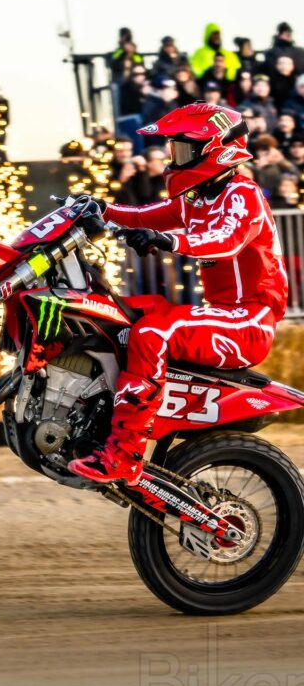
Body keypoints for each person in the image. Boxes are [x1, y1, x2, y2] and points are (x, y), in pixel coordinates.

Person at [69, 102, 287, 485]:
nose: (175, 159)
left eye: (184, 150)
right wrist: (101, 208)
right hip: (224, 314)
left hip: (249, 320)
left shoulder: (243, 194)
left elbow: (224, 240)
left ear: (217, 150)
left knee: (153, 332)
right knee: (116, 312)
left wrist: (168, 240)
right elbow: (142, 215)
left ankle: (124, 453)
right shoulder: (196, 197)